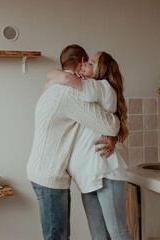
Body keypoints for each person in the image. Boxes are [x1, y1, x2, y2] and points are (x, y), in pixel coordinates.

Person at [26, 44, 120, 240]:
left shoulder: (55, 86)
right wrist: (118, 127)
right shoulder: (71, 93)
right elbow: (110, 126)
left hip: (45, 173)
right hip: (50, 176)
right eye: (88, 63)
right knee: (57, 237)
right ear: (82, 62)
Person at [46, 51, 132, 240]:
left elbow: (58, 77)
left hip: (106, 172)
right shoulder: (90, 90)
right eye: (84, 62)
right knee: (99, 236)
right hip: (88, 176)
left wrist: (65, 75)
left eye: (91, 63)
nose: (84, 64)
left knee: (118, 232)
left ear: (102, 70)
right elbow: (53, 77)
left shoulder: (101, 86)